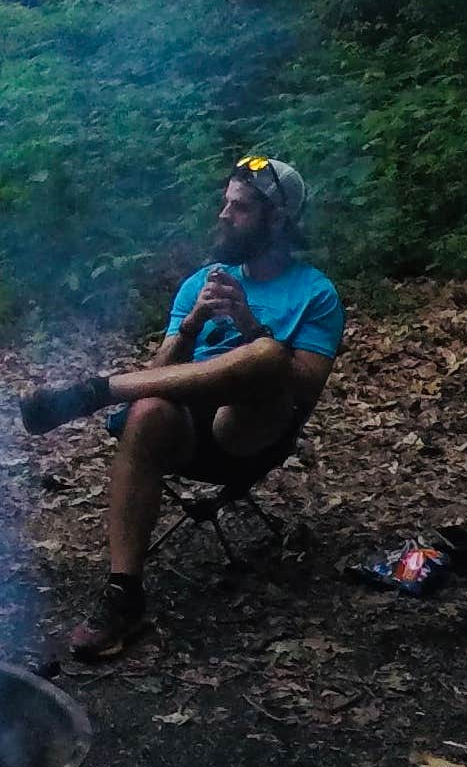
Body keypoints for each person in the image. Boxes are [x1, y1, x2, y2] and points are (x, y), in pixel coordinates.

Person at [18, 155, 342, 662]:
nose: (224, 215)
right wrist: (191, 324)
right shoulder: (201, 281)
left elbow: (305, 387)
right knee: (146, 411)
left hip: (251, 429)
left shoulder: (316, 292)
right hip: (189, 430)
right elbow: (161, 371)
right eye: (225, 203)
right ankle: (124, 594)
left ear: (277, 219)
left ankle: (97, 391)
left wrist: (248, 321)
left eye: (240, 207)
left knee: (266, 353)